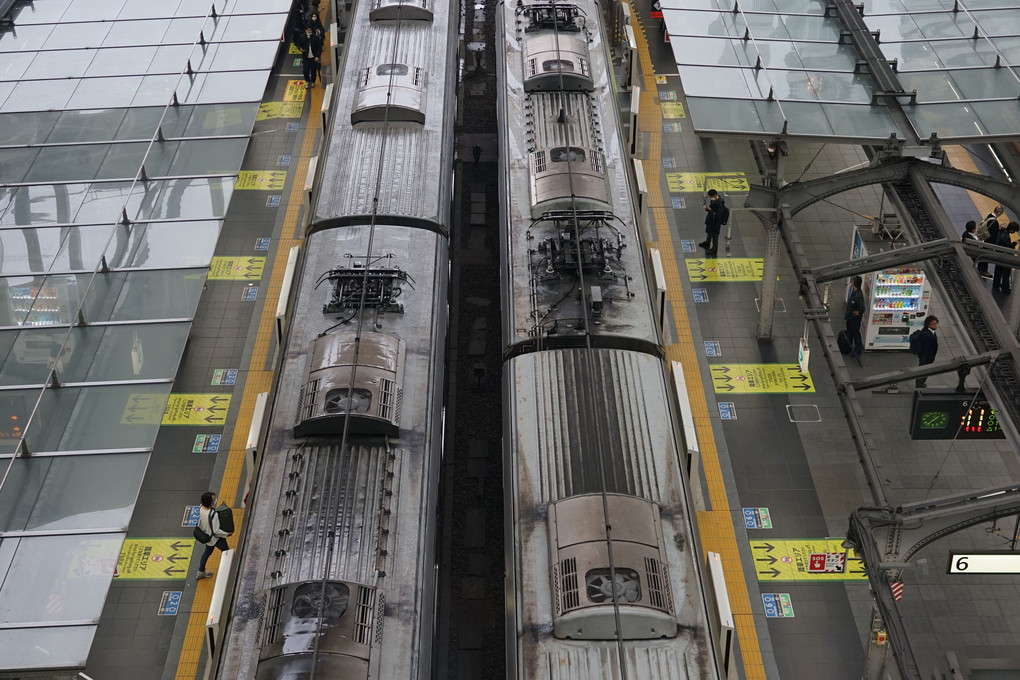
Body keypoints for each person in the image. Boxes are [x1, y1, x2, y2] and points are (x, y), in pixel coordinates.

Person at [196, 492, 231, 579]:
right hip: (215, 538)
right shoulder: (213, 514)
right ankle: (229, 570)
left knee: (207, 553)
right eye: (213, 500)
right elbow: (216, 531)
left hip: (207, 535)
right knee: (226, 552)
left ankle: (201, 571)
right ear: (209, 502)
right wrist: (227, 534)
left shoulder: (201, 507)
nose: (215, 501)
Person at [976, 205, 1004, 278]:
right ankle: (984, 270)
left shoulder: (989, 215)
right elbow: (994, 233)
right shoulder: (994, 221)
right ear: (999, 212)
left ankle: (980, 268)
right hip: (989, 241)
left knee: (983, 254)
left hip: (985, 239)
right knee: (986, 255)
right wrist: (1000, 229)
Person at [993, 221, 1019, 293]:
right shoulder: (1005, 235)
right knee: (1006, 272)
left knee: (998, 270)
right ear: (1012, 229)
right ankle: (1005, 288)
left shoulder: (1002, 231)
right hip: (1004, 256)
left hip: (998, 254)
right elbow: (1008, 247)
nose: (1014, 232)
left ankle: (996, 284)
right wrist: (1014, 243)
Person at [698, 189, 726, 256]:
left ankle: (714, 249)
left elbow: (717, 215)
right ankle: (707, 243)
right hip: (710, 221)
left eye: (711, 197)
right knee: (709, 232)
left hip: (716, 223)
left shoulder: (720, 205)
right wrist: (707, 208)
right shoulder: (714, 200)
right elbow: (711, 208)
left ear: (715, 196)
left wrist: (710, 210)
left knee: (715, 236)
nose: (711, 198)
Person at [914, 315, 939, 388]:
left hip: (927, 357)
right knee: (923, 372)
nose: (935, 325)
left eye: (936, 323)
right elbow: (926, 348)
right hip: (926, 358)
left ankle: (920, 384)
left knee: (924, 372)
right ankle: (919, 386)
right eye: (933, 324)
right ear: (928, 325)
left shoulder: (930, 331)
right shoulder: (927, 335)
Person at [845, 275, 866, 360]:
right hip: (850, 315)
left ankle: (858, 350)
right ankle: (849, 346)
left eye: (853, 280)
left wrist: (858, 312)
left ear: (854, 283)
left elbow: (862, 308)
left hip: (855, 318)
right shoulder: (852, 290)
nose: (851, 281)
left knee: (856, 333)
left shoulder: (858, 295)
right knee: (849, 331)